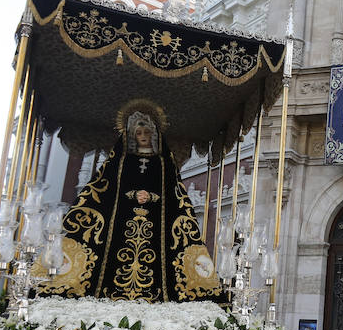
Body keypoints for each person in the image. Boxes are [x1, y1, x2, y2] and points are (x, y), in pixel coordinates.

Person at [38, 101, 222, 303]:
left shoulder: (163, 163)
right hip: (121, 222)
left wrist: (151, 196)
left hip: (156, 225)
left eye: (146, 132)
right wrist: (132, 195)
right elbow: (106, 186)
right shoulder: (121, 160)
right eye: (138, 133)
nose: (143, 137)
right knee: (114, 259)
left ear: (154, 134)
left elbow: (173, 192)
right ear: (132, 135)